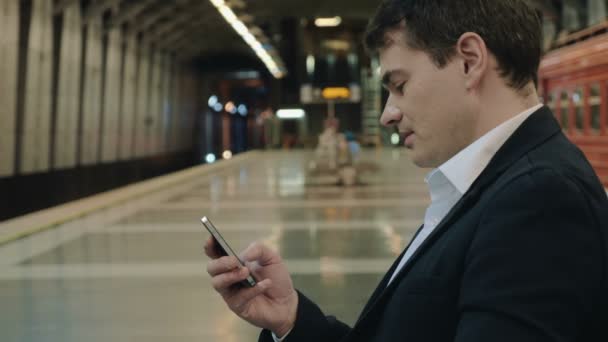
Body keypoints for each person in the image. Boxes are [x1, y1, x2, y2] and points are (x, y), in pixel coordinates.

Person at [205, 1, 608, 341]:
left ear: (469, 61)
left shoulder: (540, 200)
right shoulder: (495, 185)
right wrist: (292, 320)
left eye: (399, 85)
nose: (387, 115)